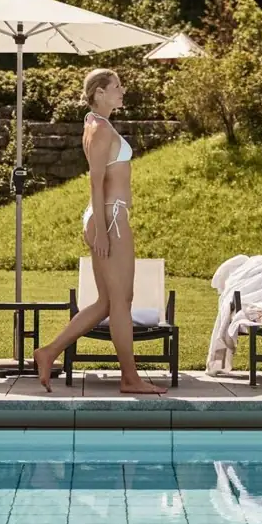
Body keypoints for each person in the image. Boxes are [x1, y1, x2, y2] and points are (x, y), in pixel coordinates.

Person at [33, 69, 163, 394]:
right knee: (121, 301)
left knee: (107, 302)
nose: (123, 90)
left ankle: (48, 352)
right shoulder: (100, 129)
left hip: (105, 215)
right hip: (112, 217)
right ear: (100, 93)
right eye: (117, 86)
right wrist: (103, 231)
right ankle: (130, 378)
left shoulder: (94, 124)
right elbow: (95, 181)